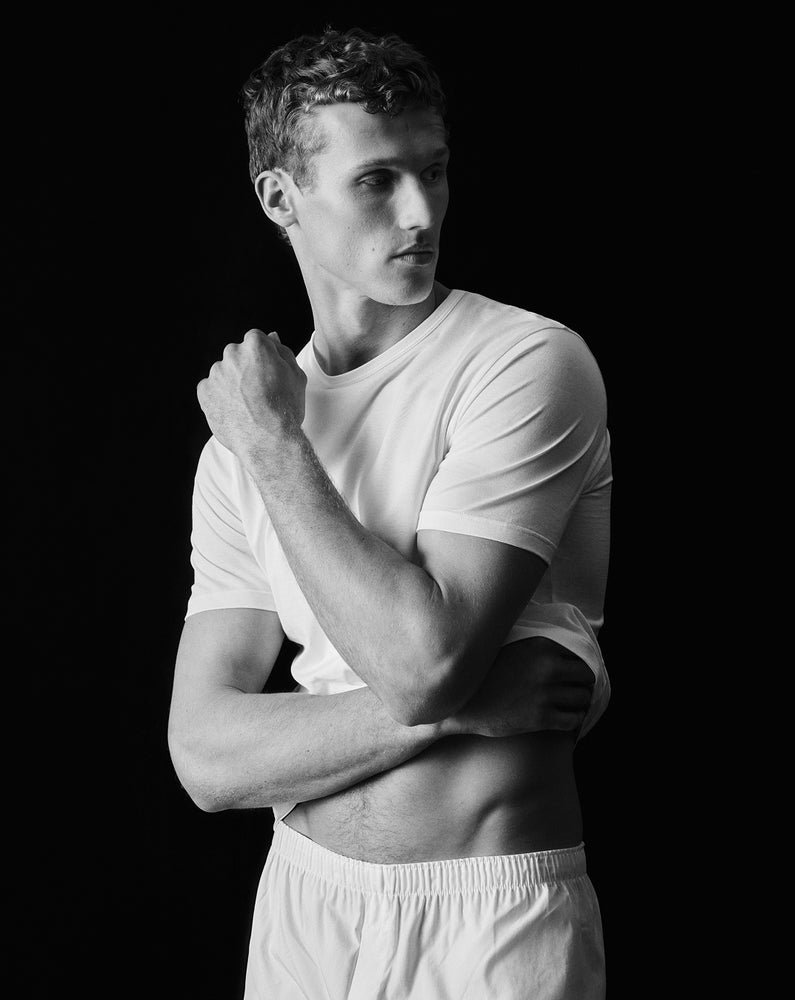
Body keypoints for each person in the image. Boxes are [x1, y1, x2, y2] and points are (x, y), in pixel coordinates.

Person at [168, 26, 612, 1000]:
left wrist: (279, 450)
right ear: (280, 198)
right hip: (302, 911)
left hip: (484, 920)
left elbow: (423, 665)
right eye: (376, 181)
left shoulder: (523, 363)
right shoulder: (243, 437)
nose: (420, 211)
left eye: (434, 171)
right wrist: (462, 710)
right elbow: (203, 756)